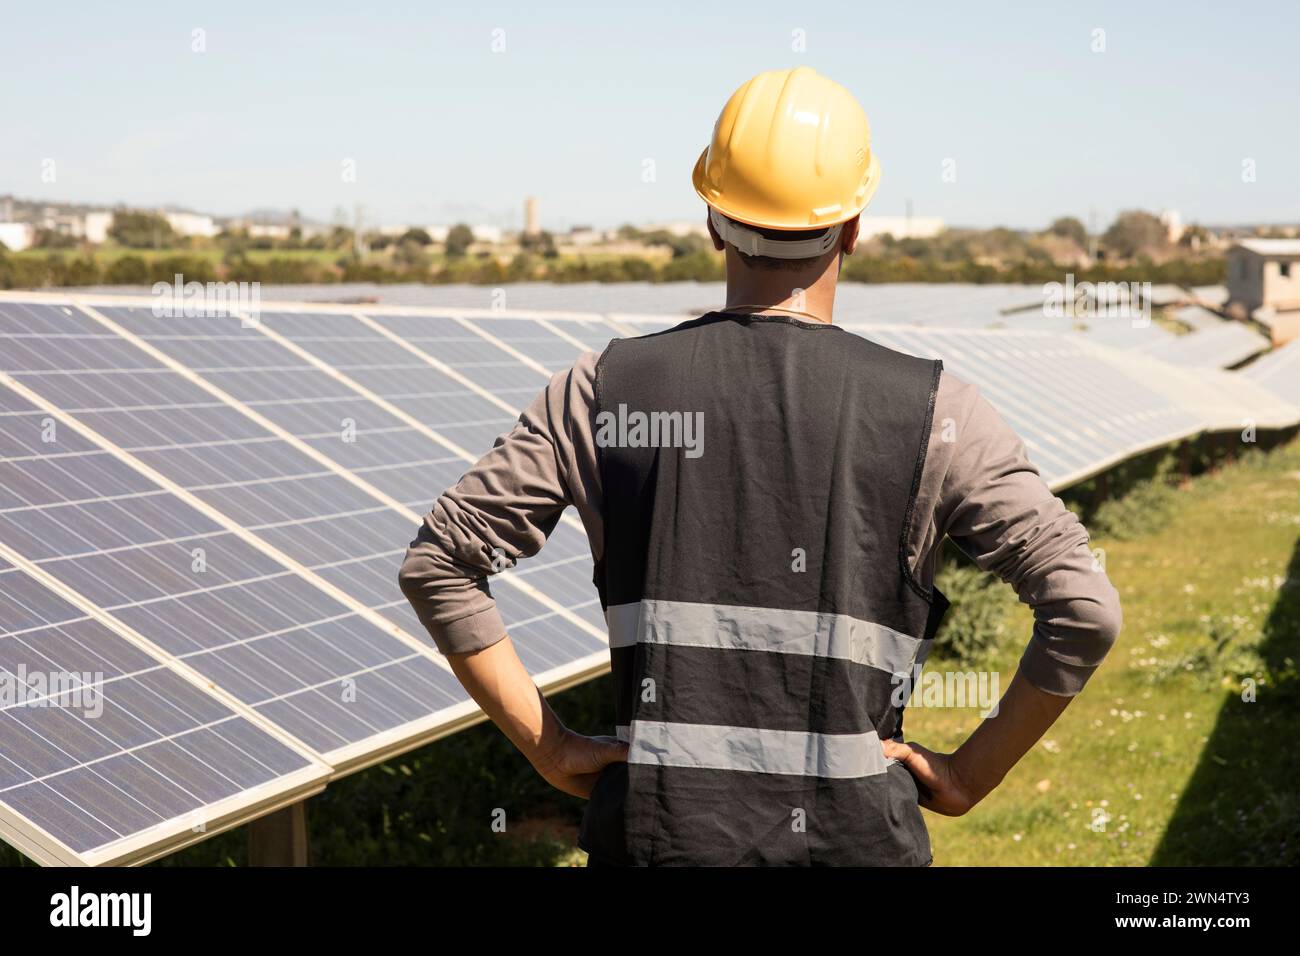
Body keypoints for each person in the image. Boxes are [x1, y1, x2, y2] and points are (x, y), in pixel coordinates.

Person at [399, 66, 1121, 866]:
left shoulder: (600, 391)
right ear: (853, 226)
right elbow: (1084, 609)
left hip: (656, 841)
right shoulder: (941, 413)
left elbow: (439, 564)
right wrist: (968, 774)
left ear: (712, 219)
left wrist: (553, 749)